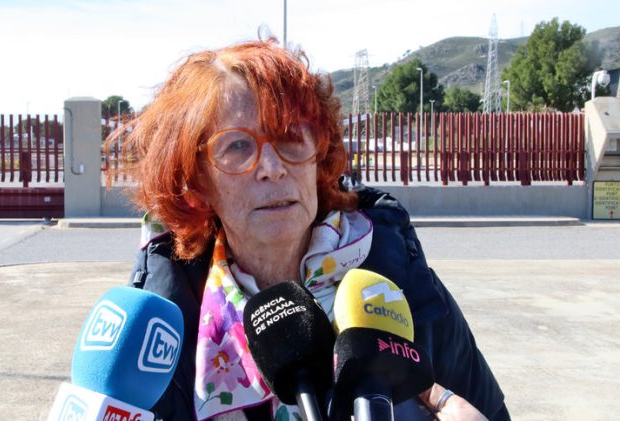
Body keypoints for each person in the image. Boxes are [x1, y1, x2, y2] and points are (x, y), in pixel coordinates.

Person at [114, 38, 509, 420]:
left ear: (319, 154)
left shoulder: (404, 283)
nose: (273, 168)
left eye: (291, 137)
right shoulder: (162, 325)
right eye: (237, 146)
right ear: (197, 181)